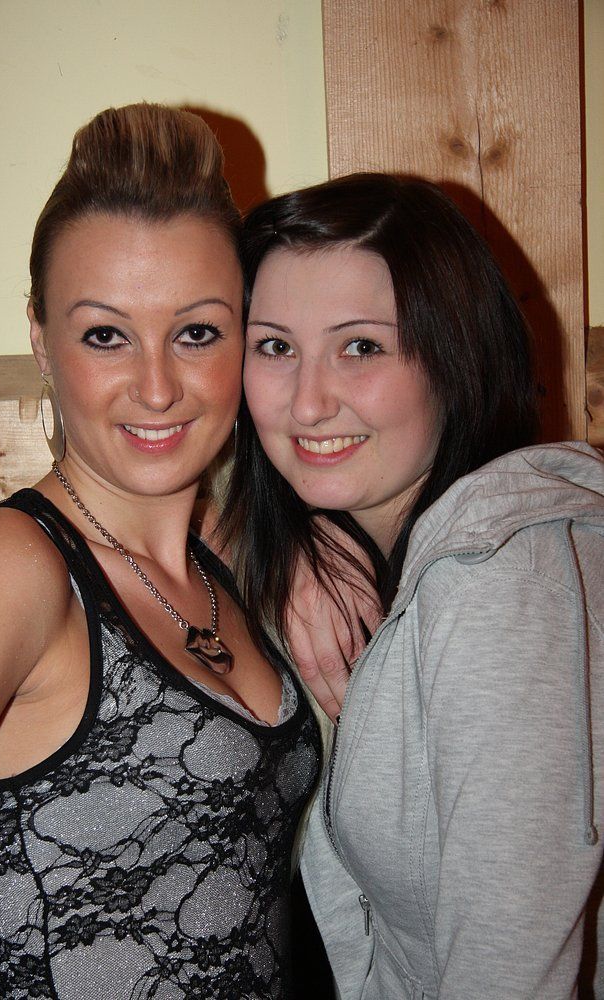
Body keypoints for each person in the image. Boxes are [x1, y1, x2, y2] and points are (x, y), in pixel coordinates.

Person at [0, 103, 320, 1000]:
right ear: (42, 342)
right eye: (105, 334)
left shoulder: (217, 568)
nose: (156, 387)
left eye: (196, 332)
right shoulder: (7, 570)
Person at [220, 172, 604, 998]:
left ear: (453, 356)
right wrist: (292, 543)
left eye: (361, 347)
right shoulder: (379, 545)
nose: (308, 403)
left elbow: (508, 974)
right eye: (275, 347)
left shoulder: (495, 586)